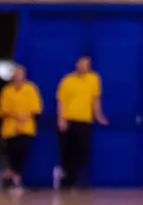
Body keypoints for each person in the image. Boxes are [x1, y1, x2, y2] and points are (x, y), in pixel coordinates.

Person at [54, 57, 104, 190]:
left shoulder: (94, 79)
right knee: (66, 151)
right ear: (77, 65)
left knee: (83, 150)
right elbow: (61, 100)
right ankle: (67, 181)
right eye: (82, 64)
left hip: (84, 120)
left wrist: (98, 115)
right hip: (68, 120)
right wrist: (61, 118)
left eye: (87, 65)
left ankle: (69, 175)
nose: (84, 66)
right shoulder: (67, 80)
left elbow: (96, 99)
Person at [0, 66, 41, 192]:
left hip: (26, 128)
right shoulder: (7, 90)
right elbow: (3, 109)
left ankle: (16, 179)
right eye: (16, 73)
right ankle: (12, 177)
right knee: (12, 154)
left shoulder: (31, 89)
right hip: (10, 129)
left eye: (20, 73)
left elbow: (35, 108)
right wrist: (16, 116)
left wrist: (23, 119)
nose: (18, 76)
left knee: (23, 152)